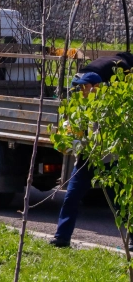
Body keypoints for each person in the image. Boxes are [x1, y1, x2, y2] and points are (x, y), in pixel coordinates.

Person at [50, 72, 104, 248]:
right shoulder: (80, 108)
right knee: (71, 197)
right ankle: (62, 237)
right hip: (84, 160)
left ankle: (131, 241)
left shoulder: (106, 108)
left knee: (119, 202)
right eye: (81, 87)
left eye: (85, 86)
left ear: (96, 87)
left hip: (107, 161)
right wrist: (65, 141)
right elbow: (74, 134)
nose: (82, 90)